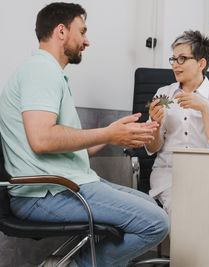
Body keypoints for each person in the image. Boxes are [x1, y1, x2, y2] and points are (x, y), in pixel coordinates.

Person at [0, 3, 169, 267]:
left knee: (150, 207)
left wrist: (115, 133)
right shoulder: (40, 71)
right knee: (156, 222)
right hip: (46, 193)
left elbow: (72, 147)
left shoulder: (50, 74)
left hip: (65, 186)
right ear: (61, 31)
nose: (87, 41)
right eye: (82, 31)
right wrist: (108, 133)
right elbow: (42, 139)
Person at [145, 30, 209, 215]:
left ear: (201, 63)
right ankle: (178, 245)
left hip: (208, 174)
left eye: (182, 59)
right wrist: (154, 124)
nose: (175, 65)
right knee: (181, 209)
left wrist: (205, 108)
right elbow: (152, 148)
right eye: (173, 59)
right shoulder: (164, 94)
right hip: (169, 174)